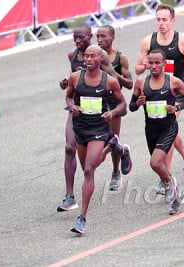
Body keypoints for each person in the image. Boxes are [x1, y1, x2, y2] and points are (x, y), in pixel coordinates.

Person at [135, 4, 184, 194]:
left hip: (175, 93)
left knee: (167, 130)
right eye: (158, 19)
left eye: (165, 19)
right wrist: (144, 64)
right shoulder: (148, 42)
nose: (161, 23)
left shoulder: (182, 40)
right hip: (155, 94)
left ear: (172, 20)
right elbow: (138, 69)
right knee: (170, 132)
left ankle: (167, 179)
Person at [66, 45, 132, 234]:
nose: (88, 59)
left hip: (99, 128)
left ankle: (82, 218)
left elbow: (122, 103)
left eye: (93, 56)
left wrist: (112, 112)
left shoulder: (109, 81)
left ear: (101, 59)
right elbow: (68, 98)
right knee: (86, 167)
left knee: (89, 169)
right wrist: (72, 107)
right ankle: (118, 147)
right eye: (86, 56)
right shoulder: (76, 78)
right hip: (81, 128)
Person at [57, 23, 118, 212]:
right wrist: (66, 84)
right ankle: (70, 196)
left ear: (90, 37)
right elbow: (72, 82)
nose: (77, 41)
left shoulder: (101, 55)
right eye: (75, 37)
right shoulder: (72, 55)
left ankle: (113, 146)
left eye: (81, 38)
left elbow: (115, 79)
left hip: (97, 115)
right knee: (69, 148)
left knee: (91, 164)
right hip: (77, 111)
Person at [130, 49, 184, 215]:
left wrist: (176, 107)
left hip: (169, 127)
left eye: (157, 63)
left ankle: (170, 183)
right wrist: (138, 102)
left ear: (164, 64)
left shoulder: (173, 82)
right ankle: (177, 196)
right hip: (151, 129)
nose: (153, 66)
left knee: (155, 162)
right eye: (150, 63)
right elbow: (131, 106)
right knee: (159, 165)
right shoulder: (141, 83)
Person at [97, 25, 133, 190]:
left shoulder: (120, 58)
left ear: (112, 38)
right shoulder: (94, 56)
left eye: (103, 36)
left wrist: (112, 72)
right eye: (98, 37)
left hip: (114, 103)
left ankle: (115, 172)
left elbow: (130, 84)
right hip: (97, 103)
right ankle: (124, 151)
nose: (100, 40)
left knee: (113, 139)